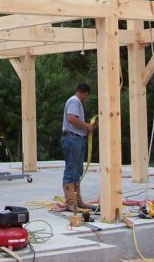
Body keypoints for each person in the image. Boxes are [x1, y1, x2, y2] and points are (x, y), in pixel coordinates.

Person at [61, 83, 97, 212]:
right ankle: (71, 202)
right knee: (71, 171)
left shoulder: (76, 102)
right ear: (83, 93)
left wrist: (88, 127)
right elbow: (71, 118)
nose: (85, 99)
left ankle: (77, 201)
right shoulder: (74, 101)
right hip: (72, 138)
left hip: (77, 139)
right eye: (86, 96)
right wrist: (87, 126)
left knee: (77, 171)